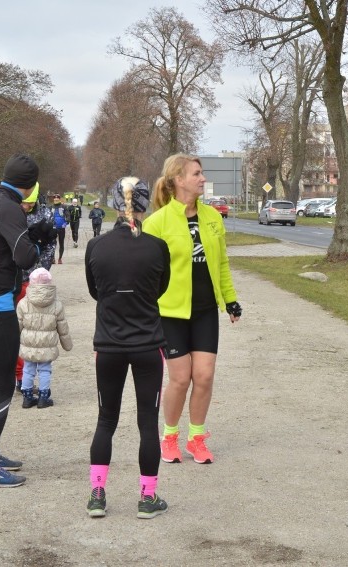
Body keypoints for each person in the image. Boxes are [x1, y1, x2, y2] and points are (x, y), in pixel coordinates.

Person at [0, 154, 57, 489]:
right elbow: (24, 256)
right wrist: (41, 241)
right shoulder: (8, 209)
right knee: (2, 387)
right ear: (31, 186)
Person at [143, 154, 242, 465]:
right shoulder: (156, 222)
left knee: (205, 376)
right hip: (170, 312)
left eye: (202, 174)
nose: (202, 179)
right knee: (180, 379)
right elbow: (146, 273)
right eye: (197, 174)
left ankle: (196, 438)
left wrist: (230, 299)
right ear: (178, 180)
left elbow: (222, 263)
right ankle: (169, 436)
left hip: (204, 311)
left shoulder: (212, 217)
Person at [85, 176, 171, 519]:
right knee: (148, 423)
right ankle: (147, 498)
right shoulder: (156, 247)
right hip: (148, 343)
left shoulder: (96, 247)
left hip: (108, 344)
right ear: (145, 204)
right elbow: (160, 289)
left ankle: (97, 495)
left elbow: (95, 291)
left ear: (114, 204)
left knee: (106, 420)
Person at [13, 184, 56, 393]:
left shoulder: (44, 214)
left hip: (35, 280)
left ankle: (28, 379)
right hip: (14, 278)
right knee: (18, 330)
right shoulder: (13, 212)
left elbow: (50, 246)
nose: (25, 205)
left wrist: (41, 273)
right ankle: (20, 376)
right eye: (23, 201)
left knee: (36, 330)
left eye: (29, 202)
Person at [17, 267, 72, 409]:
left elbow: (18, 324)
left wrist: (13, 340)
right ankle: (43, 397)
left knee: (28, 369)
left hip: (28, 343)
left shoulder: (23, 303)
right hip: (47, 344)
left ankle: (27, 397)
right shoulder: (56, 304)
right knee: (45, 370)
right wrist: (67, 344)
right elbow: (62, 328)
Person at [51, 194, 68, 263]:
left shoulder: (64, 207)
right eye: (55, 199)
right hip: (53, 228)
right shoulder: (50, 207)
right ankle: (53, 258)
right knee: (52, 244)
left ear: (59, 199)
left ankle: (60, 258)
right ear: (53, 200)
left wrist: (66, 223)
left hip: (61, 227)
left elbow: (68, 216)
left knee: (61, 243)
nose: (56, 200)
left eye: (57, 199)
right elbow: (47, 217)